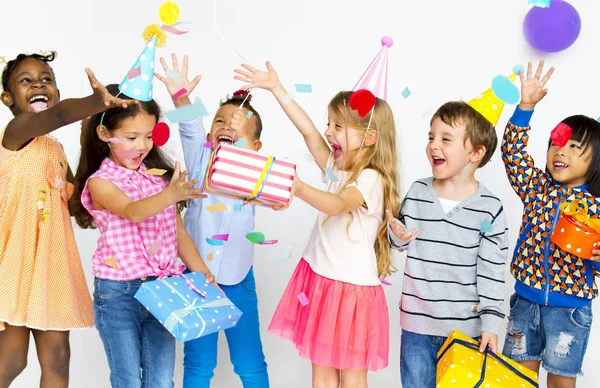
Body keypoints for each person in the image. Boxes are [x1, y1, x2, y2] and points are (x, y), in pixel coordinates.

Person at [234, 61, 401, 387]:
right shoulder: (339, 170)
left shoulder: (370, 179)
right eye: (331, 123)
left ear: (369, 138)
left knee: (351, 376)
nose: (328, 132)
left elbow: (338, 205)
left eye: (339, 127)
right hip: (321, 281)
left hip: (351, 292)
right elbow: (308, 131)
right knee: (322, 372)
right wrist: (276, 88)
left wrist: (298, 188)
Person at [0, 52, 135, 388]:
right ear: (7, 98)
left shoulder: (55, 148)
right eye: (26, 81)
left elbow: (75, 203)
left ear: (56, 89)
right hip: (13, 262)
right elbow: (58, 115)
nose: (38, 85)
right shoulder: (16, 132)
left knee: (58, 358)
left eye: (46, 79)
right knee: (12, 359)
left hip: (49, 265)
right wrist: (94, 100)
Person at [72, 84, 216, 387]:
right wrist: (172, 194)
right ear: (104, 135)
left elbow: (178, 234)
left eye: (149, 136)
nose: (142, 146)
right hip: (118, 293)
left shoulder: (159, 180)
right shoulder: (101, 182)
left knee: (161, 380)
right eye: (131, 137)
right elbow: (132, 211)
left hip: (164, 289)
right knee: (127, 380)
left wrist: (202, 271)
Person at [155, 54, 270, 388]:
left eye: (238, 126)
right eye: (220, 122)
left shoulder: (257, 174)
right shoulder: (201, 156)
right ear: (210, 133)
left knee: (250, 364)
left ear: (256, 147)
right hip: (197, 279)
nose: (227, 127)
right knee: (199, 365)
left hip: (239, 279)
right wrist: (180, 96)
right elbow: (190, 127)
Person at [387, 100, 508, 388]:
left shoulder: (489, 209)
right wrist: (397, 235)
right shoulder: (417, 192)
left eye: (445, 138)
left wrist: (490, 325)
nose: (433, 145)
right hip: (416, 326)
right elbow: (399, 242)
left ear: (476, 152)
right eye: (431, 137)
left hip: (466, 331)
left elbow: (491, 271)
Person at [501, 60, 600, 388]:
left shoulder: (597, 206)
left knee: (561, 383)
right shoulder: (536, 187)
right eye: (556, 143)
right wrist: (525, 106)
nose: (561, 151)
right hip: (524, 305)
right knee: (516, 379)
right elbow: (513, 153)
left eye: (574, 146)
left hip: (569, 313)